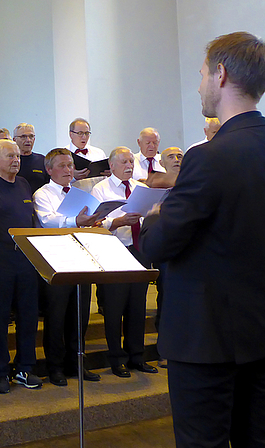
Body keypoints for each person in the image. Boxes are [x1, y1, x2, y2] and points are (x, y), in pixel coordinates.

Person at [140, 31, 265, 448]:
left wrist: (156, 215)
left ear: (220, 74)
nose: (198, 85)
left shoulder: (209, 156)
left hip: (207, 339)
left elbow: (156, 246)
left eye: (200, 74)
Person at [33, 148, 102, 386]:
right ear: (49, 170)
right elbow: (48, 220)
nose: (68, 170)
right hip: (57, 259)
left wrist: (95, 219)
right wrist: (76, 220)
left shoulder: (79, 192)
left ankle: (77, 362)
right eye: (62, 166)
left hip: (81, 256)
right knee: (56, 315)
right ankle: (55, 366)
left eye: (70, 165)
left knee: (79, 313)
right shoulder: (43, 194)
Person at [0, 139, 42, 394]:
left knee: (28, 314)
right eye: (9, 156)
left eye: (17, 156)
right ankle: (0, 372)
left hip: (25, 256)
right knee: (0, 315)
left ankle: (25, 368)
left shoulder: (24, 184)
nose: (16, 160)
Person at [92, 147, 157, 378]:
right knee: (114, 307)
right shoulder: (101, 189)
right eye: (123, 162)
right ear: (111, 166)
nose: (129, 165)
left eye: (131, 161)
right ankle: (116, 358)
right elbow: (96, 223)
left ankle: (137, 356)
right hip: (113, 252)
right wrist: (119, 221)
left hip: (139, 250)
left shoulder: (142, 188)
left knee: (137, 305)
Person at [13, 123, 49, 192]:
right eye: (23, 136)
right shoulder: (11, 161)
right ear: (15, 140)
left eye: (31, 136)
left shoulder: (42, 160)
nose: (28, 140)